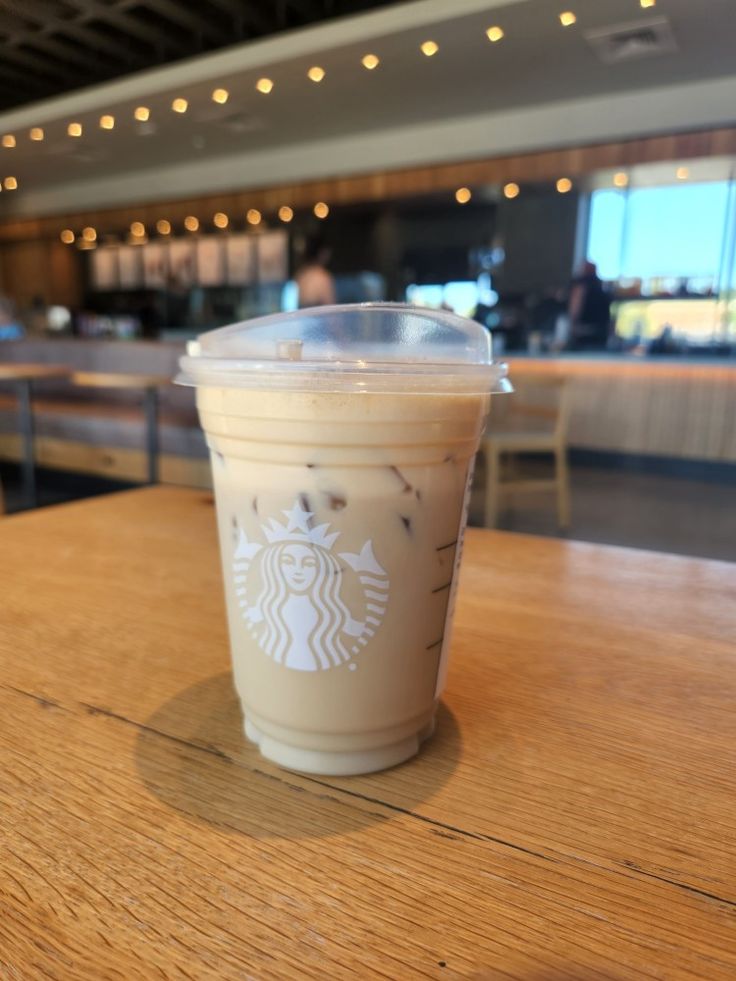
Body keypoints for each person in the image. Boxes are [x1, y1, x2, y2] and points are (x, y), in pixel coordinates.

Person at [567, 261, 611, 350]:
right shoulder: (602, 288)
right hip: (601, 334)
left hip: (583, 333)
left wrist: (572, 325)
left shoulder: (581, 285)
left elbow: (575, 308)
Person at [295, 237, 336, 308]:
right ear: (322, 253)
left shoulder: (301, 274)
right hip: (320, 317)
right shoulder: (322, 276)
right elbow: (330, 308)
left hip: (302, 317)